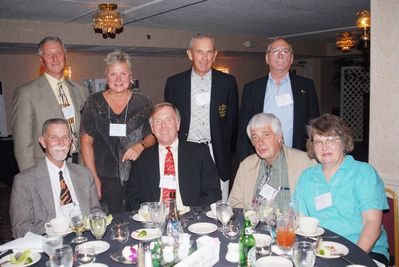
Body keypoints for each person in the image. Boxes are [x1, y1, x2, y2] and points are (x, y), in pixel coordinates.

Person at [294, 114, 389, 265]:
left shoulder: (363, 173)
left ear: (344, 142)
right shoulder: (307, 176)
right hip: (321, 252)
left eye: (331, 140)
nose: (324, 147)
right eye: (318, 141)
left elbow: (373, 223)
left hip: (365, 252)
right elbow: (299, 219)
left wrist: (351, 260)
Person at [164, 33, 239, 200]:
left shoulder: (227, 82)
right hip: (186, 148)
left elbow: (232, 120)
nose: (204, 57)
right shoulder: (174, 83)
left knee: (220, 202)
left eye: (209, 52)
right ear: (190, 54)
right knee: (187, 198)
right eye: (199, 52)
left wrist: (223, 144)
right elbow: (170, 120)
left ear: (215, 55)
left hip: (216, 151)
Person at [80, 50, 156, 213]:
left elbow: (152, 137)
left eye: (123, 73)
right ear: (106, 77)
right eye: (113, 74)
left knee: (139, 220)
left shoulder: (143, 102)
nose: (119, 79)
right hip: (104, 177)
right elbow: (86, 142)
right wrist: (93, 178)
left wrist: (140, 146)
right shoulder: (94, 102)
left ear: (130, 76)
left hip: (137, 176)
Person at [10, 118, 101, 238]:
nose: (61, 143)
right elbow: (20, 229)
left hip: (85, 239)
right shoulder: (25, 181)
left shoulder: (84, 174)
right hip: (49, 245)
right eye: (54, 138)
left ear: (71, 141)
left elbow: (96, 212)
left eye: (65, 137)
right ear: (43, 142)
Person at [11, 36, 88, 171]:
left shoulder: (81, 91)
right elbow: (23, 145)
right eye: (49, 54)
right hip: (45, 168)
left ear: (65, 56)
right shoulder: (26, 93)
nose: (55, 58)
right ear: (41, 60)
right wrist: (31, 178)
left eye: (58, 53)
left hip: (79, 165)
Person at [236, 38, 320, 162]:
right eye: (275, 51)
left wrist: (314, 157)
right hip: (261, 158)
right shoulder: (252, 89)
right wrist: (244, 161)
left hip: (297, 157)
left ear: (291, 59)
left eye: (285, 51)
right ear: (267, 58)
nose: (280, 55)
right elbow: (243, 130)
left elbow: (315, 125)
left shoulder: (306, 87)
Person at [126, 102, 221, 211]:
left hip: (191, 218)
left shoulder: (199, 153)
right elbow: (133, 196)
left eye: (168, 120)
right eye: (158, 122)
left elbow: (213, 192)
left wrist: (193, 213)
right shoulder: (142, 159)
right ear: (152, 129)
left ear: (178, 124)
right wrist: (149, 214)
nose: (163, 126)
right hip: (155, 219)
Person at [229, 113, 315, 209]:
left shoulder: (306, 163)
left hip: (293, 223)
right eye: (255, 137)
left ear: (279, 137)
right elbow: (235, 204)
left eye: (266, 135)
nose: (260, 142)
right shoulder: (247, 165)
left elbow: (316, 205)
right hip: (255, 223)